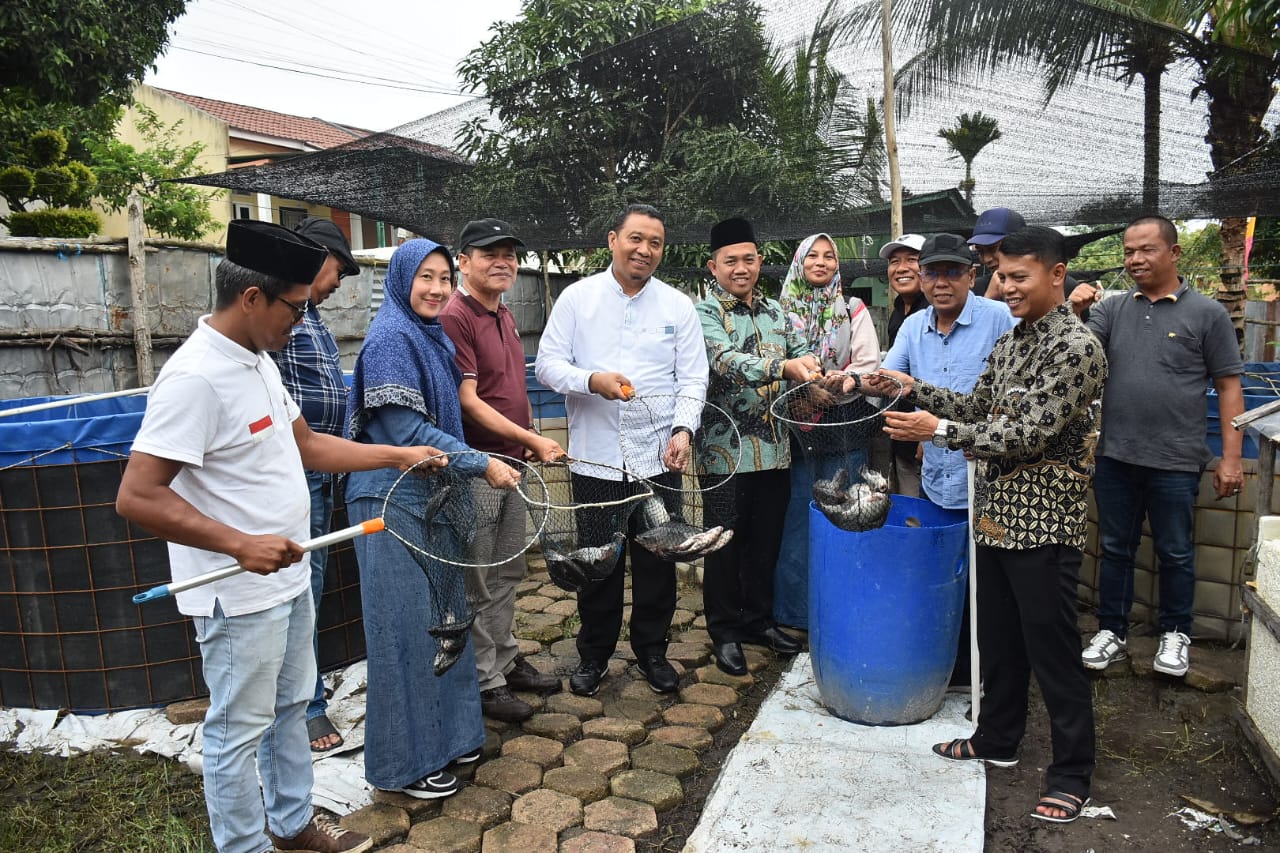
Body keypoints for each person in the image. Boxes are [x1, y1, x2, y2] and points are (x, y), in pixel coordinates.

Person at [115, 220, 446, 853]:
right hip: (239, 593)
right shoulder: (195, 378)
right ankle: (245, 845)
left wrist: (395, 456)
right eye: (296, 306)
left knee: (291, 705)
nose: (303, 319)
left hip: (288, 576)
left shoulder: (258, 359)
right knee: (239, 729)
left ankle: (293, 826)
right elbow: (137, 495)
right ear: (251, 299)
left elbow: (306, 445)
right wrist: (240, 544)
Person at [865, 225, 1106, 824]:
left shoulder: (1076, 349)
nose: (1010, 287)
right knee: (997, 638)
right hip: (995, 517)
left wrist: (936, 431)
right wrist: (913, 387)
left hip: (1043, 521)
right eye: (1005, 276)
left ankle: (1072, 771)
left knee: (1051, 648)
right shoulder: (1017, 340)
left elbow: (1027, 433)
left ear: (1057, 275)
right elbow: (979, 406)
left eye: (1020, 277)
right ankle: (997, 736)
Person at [344, 238, 522, 800]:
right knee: (405, 631)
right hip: (391, 501)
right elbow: (405, 434)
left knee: (449, 620)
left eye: (445, 279)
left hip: (436, 497)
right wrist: (482, 461)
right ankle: (406, 763)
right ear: (400, 279)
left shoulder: (434, 336)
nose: (438, 289)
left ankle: (453, 735)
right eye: (426, 277)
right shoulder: (391, 339)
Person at [535, 203, 709, 697]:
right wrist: (592, 380)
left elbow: (693, 377)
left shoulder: (677, 306)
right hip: (596, 461)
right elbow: (547, 365)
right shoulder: (577, 298)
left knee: (659, 559)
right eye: (636, 238)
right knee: (597, 563)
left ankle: (653, 651)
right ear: (613, 240)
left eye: (655, 242)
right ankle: (594, 655)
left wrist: (683, 430)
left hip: (659, 460)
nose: (645, 250)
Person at [1073, 215, 1244, 677]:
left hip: (1177, 458)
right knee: (1115, 547)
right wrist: (1074, 313)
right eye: (1129, 251)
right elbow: (1079, 360)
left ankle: (1175, 634)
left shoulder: (1207, 313)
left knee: (1175, 551)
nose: (1135, 259)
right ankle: (1111, 631)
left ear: (1174, 253)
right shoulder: (1112, 310)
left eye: (1146, 249)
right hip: (1116, 454)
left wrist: (1231, 458)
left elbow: (1229, 386)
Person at [440, 218, 565, 723]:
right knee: (479, 578)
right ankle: (484, 679)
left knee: (509, 569)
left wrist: (527, 437)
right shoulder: (457, 317)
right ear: (463, 261)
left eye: (509, 253)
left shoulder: (504, 314)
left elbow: (510, 389)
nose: (502, 261)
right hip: (479, 469)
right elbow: (468, 401)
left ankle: (506, 659)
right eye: (489, 253)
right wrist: (529, 438)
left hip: (511, 463)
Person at [881, 233, 1017, 686]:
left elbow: (1013, 394)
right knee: (946, 572)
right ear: (921, 279)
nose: (942, 282)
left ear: (972, 275)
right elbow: (891, 379)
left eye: (952, 271)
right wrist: (851, 381)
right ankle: (954, 664)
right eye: (932, 272)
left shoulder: (999, 318)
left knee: (990, 581)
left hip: (994, 477)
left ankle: (990, 672)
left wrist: (938, 426)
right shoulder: (913, 326)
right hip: (939, 477)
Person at [695, 217, 819, 675]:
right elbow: (724, 360)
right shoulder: (703, 313)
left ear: (760, 262)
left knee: (766, 541)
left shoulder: (777, 312)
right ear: (714, 266)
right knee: (724, 544)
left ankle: (757, 621)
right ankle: (725, 630)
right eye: (731, 261)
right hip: (724, 453)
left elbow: (804, 351)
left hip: (775, 449)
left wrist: (815, 373)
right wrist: (786, 367)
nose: (741, 268)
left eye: (749, 259)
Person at [268, 216, 359, 754]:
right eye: (337, 270)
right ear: (312, 257)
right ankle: (305, 708)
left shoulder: (313, 318)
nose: (340, 281)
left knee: (313, 588)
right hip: (294, 471)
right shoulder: (279, 316)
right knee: (299, 591)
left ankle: (306, 696)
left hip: (322, 472)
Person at [773, 232, 881, 631]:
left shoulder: (852, 309)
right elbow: (772, 361)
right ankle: (794, 615)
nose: (821, 262)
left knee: (847, 513)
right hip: (795, 429)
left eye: (829, 256)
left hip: (843, 426)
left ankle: (843, 611)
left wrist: (840, 383)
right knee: (800, 518)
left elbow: (868, 363)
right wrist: (801, 390)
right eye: (812, 256)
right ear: (799, 261)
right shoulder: (778, 311)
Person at [874, 233, 928, 497]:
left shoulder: (934, 310)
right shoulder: (898, 309)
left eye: (912, 259)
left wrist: (929, 439)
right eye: (895, 261)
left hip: (927, 434)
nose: (902, 268)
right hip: (902, 432)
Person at [968, 206, 1026, 299]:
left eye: (993, 249)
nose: (986, 259)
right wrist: (989, 299)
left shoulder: (1049, 283)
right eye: (980, 251)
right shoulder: (974, 290)